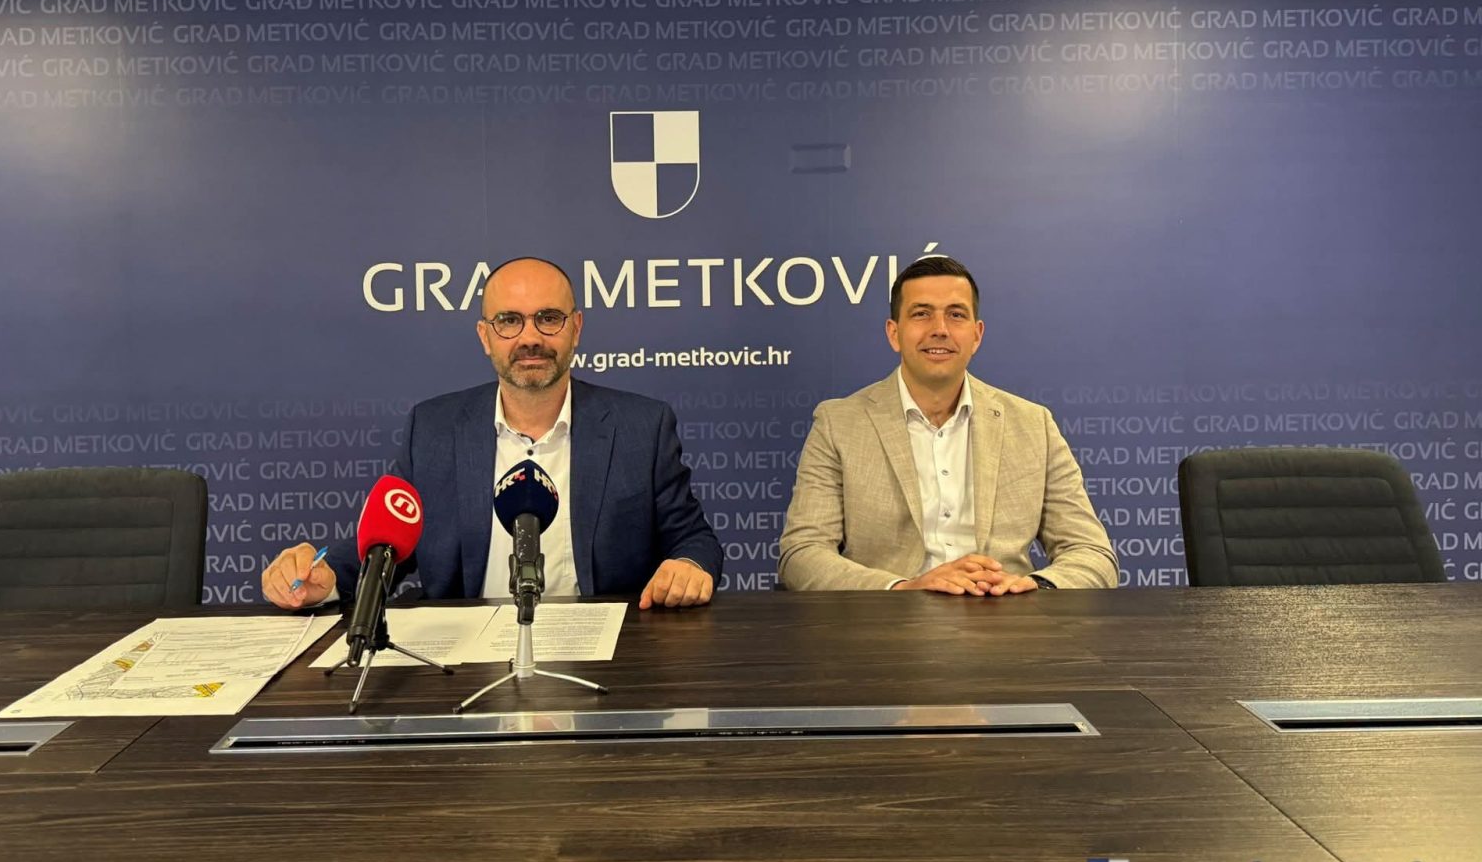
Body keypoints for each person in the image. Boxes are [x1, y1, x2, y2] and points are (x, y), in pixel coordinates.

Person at [262, 257, 722, 611]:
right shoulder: (433, 429)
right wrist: (324, 578)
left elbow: (694, 539)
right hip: (465, 657)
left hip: (608, 653)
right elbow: (390, 546)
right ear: (485, 336)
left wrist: (688, 566)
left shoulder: (642, 425)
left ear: (576, 329)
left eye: (549, 318)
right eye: (509, 321)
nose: (530, 338)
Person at [778, 254, 1118, 594]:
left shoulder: (1033, 425)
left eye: (956, 315)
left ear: (976, 335)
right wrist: (902, 589)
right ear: (894, 333)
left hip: (1006, 617)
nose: (939, 329)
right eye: (921, 314)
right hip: (888, 618)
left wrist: (1030, 587)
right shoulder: (839, 424)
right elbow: (802, 554)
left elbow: (1093, 553)